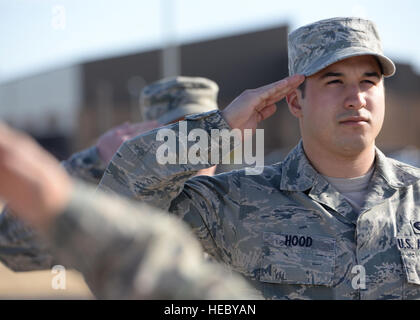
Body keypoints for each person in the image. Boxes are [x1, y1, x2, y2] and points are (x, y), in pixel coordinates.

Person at [98, 17, 420, 300]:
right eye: (335, 81)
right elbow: (116, 213)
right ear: (295, 102)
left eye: (369, 81)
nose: (356, 99)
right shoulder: (239, 202)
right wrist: (218, 129)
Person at [0, 122, 256, 299]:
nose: (188, 154)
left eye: (200, 139)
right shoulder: (111, 193)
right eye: (175, 138)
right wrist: (94, 163)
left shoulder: (245, 199)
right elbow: (12, 246)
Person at [0, 76, 219, 272]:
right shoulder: (122, 206)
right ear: (148, 139)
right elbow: (12, 246)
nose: (192, 146)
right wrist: (95, 163)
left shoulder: (241, 194)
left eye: (203, 132)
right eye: (175, 132)